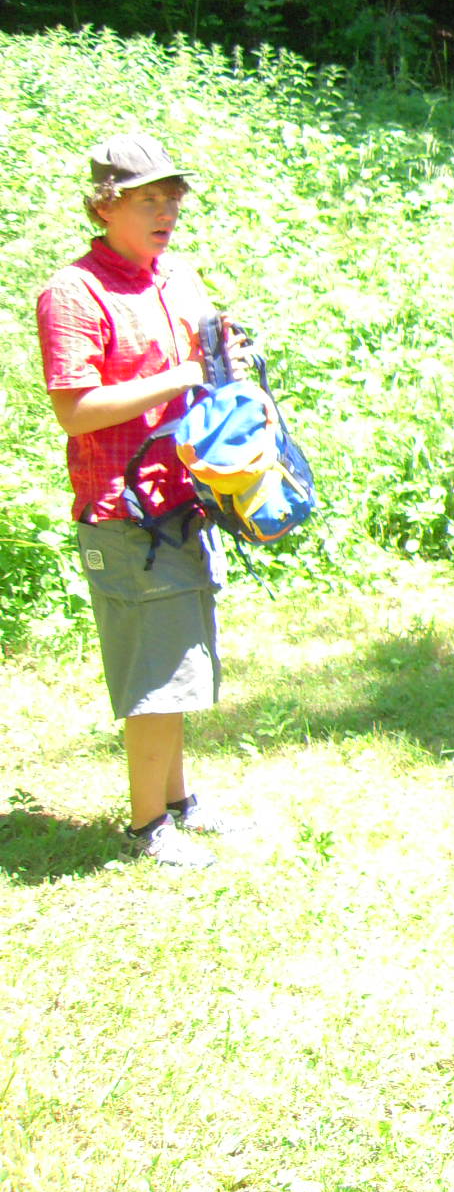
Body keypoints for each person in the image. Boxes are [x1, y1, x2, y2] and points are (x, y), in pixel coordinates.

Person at [36, 134, 252, 868]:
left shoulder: (176, 277)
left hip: (187, 499)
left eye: (173, 199)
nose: (167, 213)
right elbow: (75, 411)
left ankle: (179, 801)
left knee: (181, 662)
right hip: (124, 513)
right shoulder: (74, 291)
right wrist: (182, 375)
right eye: (148, 200)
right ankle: (147, 826)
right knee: (154, 678)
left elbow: (205, 364)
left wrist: (225, 361)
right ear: (104, 206)